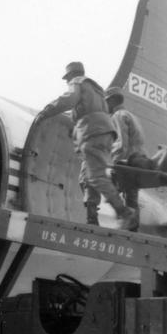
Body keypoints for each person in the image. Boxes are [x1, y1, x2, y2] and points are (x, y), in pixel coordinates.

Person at [34, 62, 138, 230]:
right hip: (103, 133)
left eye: (67, 79)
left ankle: (124, 211)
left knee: (95, 176)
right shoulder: (96, 90)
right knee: (87, 177)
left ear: (71, 76)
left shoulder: (77, 82)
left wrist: (46, 111)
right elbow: (93, 112)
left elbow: (69, 100)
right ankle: (92, 218)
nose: (68, 82)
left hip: (92, 134)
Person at [105, 86, 147, 224]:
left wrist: (114, 164)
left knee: (109, 189)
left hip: (128, 161)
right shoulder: (132, 116)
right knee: (131, 198)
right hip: (139, 161)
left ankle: (125, 222)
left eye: (106, 102)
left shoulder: (118, 116)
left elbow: (121, 143)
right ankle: (132, 228)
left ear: (112, 101)